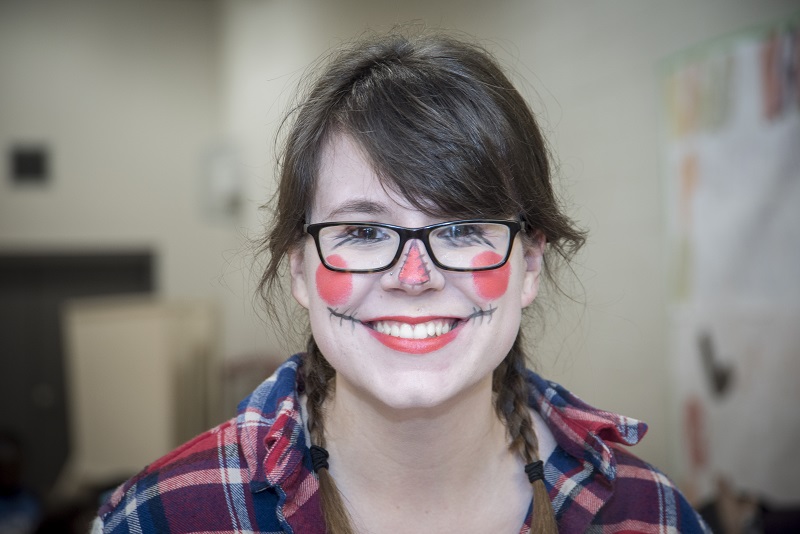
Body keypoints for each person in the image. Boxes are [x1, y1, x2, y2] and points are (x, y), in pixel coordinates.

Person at [95, 32, 709, 533]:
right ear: (300, 270)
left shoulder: (649, 514)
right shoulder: (163, 515)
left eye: (463, 229)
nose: (413, 278)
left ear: (529, 265)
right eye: (362, 233)